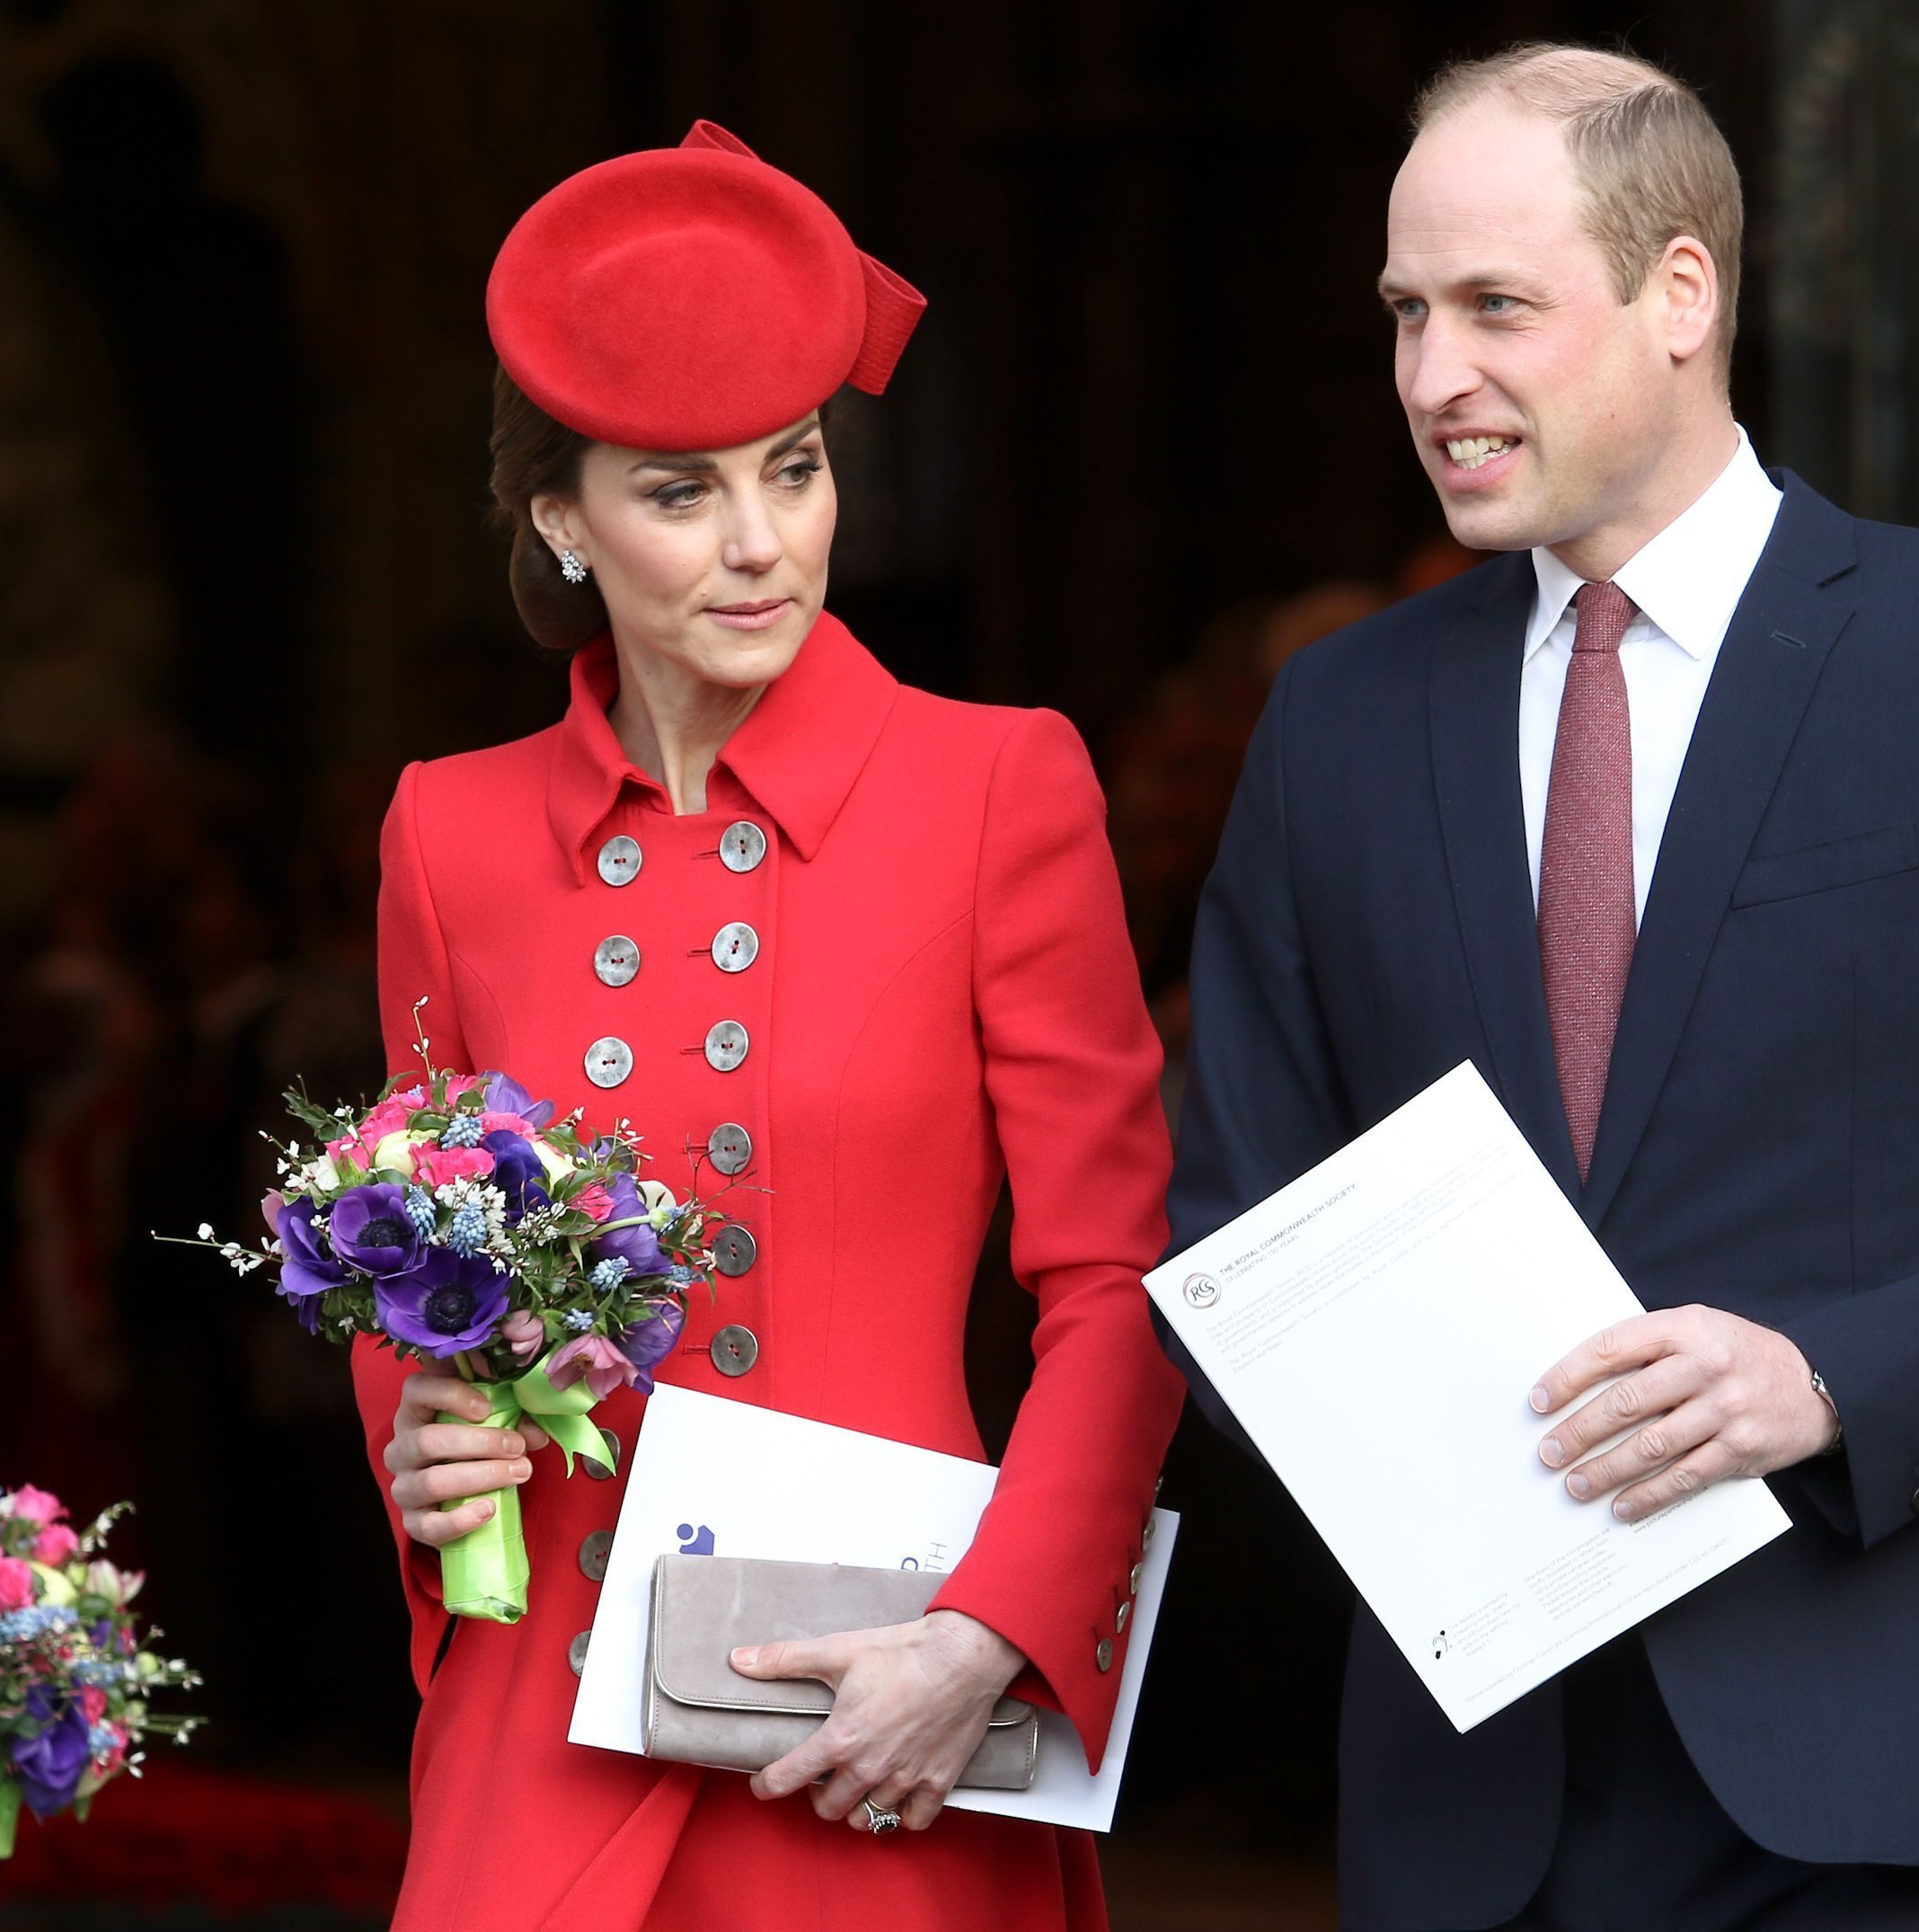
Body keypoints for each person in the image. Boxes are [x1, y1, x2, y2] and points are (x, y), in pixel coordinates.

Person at [1168, 45, 1919, 1932]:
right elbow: (1231, 1238)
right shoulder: (1339, 720)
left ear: (1682, 294)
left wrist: (1826, 1379)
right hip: (1465, 1800)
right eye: (1406, 314)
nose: (1435, 378)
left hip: (1864, 1780)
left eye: (1496, 307)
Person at [352, 121, 1183, 1932]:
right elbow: (411, 1263)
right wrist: (418, 1436)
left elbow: (1118, 1282)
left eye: (792, 471)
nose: (760, 543)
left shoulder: (996, 787)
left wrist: (996, 1631)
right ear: (562, 518)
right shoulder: (447, 830)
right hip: (542, 1729)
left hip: (879, 1711)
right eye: (678, 491)